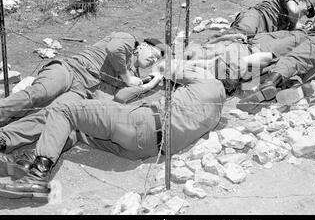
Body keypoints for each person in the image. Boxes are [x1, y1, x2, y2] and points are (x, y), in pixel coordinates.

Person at [0, 59, 227, 199]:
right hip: (145, 149)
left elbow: (170, 67)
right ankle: (28, 161)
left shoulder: (208, 79)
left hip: (143, 123)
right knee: (79, 129)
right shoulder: (217, 111)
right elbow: (121, 98)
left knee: (65, 110)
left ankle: (38, 175)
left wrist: (156, 77)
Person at [0, 33, 164, 128]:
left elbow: (119, 99)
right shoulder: (128, 40)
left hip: (82, 92)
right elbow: (114, 49)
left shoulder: (133, 74)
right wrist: (127, 77)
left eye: (157, 60)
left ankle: (5, 138)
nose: (153, 60)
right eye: (154, 54)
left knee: (50, 115)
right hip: (71, 69)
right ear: (142, 46)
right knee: (39, 93)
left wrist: (150, 83)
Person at [218, 0, 315, 38]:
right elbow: (294, 11)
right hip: (257, 17)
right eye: (307, 9)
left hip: (262, 34)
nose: (305, 13)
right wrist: (293, 25)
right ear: (301, 0)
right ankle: (206, 46)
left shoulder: (289, 21)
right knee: (240, 33)